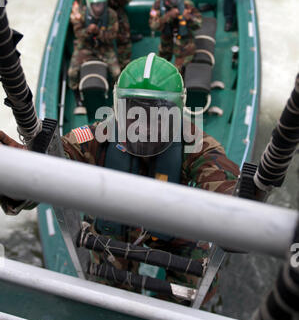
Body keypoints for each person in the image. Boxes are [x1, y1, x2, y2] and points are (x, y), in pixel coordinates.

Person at [0, 54, 240, 305]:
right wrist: (19, 169)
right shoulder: (96, 138)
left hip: (172, 224)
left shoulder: (195, 144)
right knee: (111, 293)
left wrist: (235, 213)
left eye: (157, 115)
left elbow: (226, 185)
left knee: (196, 285)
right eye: (134, 113)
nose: (144, 126)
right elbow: (50, 168)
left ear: (176, 115)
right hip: (115, 226)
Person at [68, 0, 120, 113]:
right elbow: (78, 34)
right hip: (85, 46)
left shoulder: (111, 15)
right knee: (72, 73)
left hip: (104, 47)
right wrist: (87, 31)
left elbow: (113, 35)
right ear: (89, 4)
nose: (98, 8)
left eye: (101, 4)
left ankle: (116, 100)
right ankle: (78, 99)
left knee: (117, 72)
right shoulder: (81, 15)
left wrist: (99, 33)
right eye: (95, 5)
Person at [149, 0, 202, 72]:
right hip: (167, 40)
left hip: (184, 42)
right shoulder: (157, 5)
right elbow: (153, 26)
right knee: (159, 67)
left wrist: (188, 18)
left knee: (179, 70)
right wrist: (167, 16)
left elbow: (199, 24)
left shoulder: (186, 3)